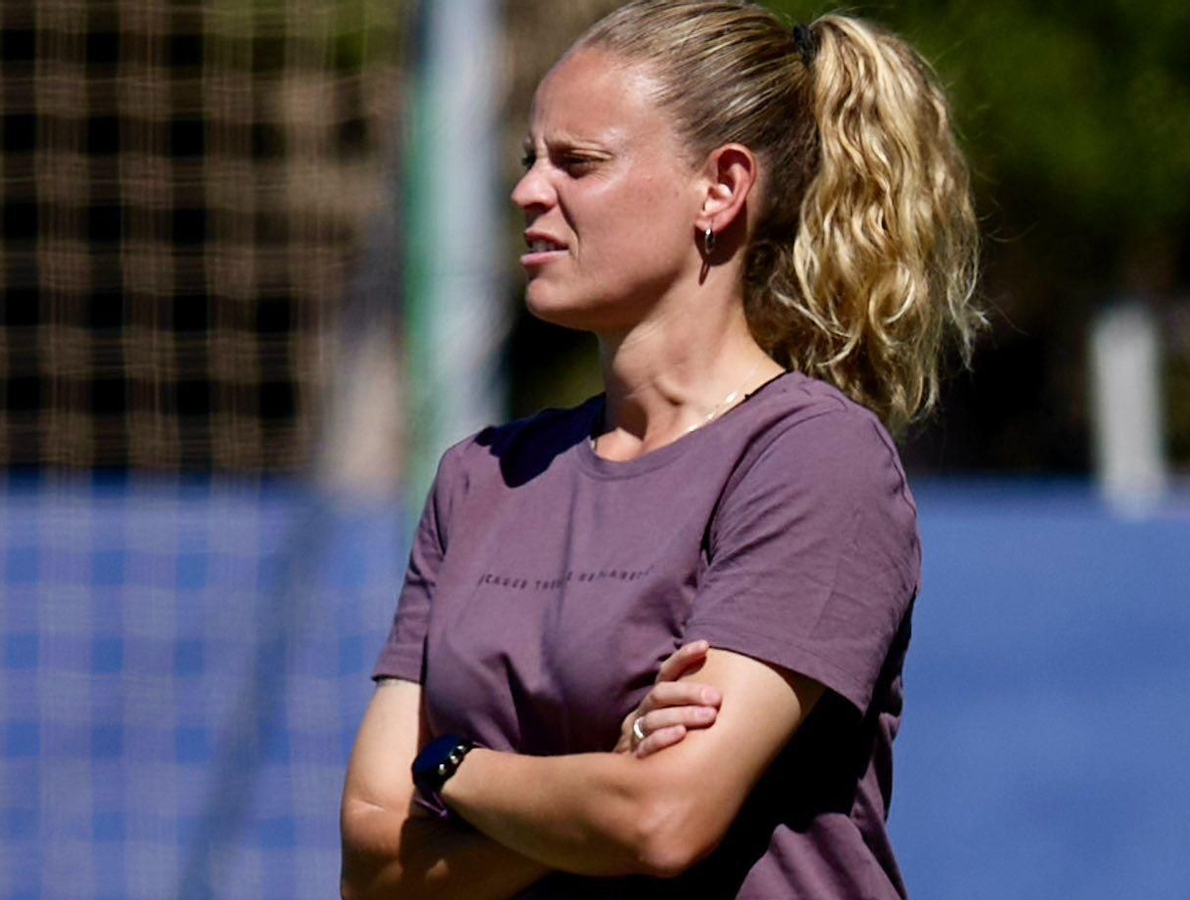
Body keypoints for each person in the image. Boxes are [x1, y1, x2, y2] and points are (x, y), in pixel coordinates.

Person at [340, 1, 981, 897]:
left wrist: (450, 768)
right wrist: (602, 786)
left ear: (720, 188)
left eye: (579, 163)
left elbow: (663, 818)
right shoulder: (477, 477)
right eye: (530, 161)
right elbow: (371, 859)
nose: (529, 192)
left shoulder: (812, 458)